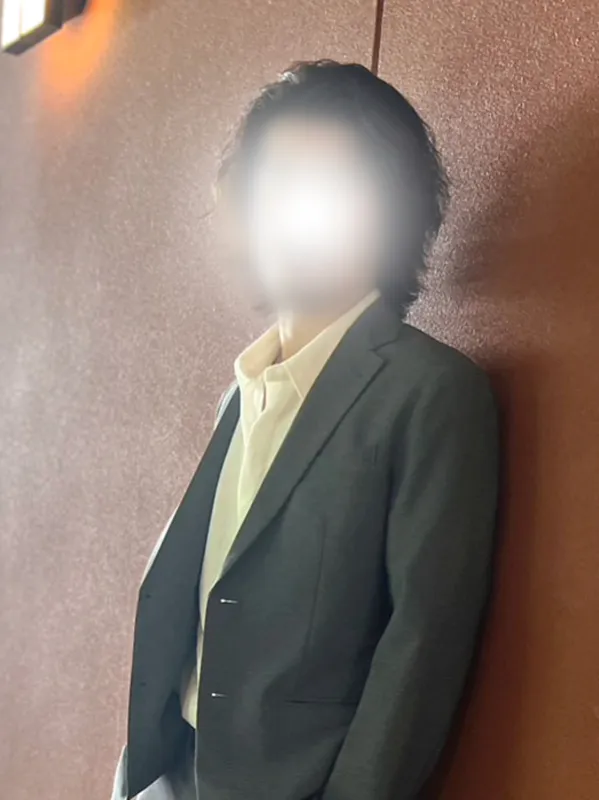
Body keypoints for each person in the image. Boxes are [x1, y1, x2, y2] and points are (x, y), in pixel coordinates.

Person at [112, 60, 498, 800]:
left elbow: (421, 647)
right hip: (172, 773)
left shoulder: (429, 392)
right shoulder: (240, 393)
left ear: (389, 208)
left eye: (325, 185)